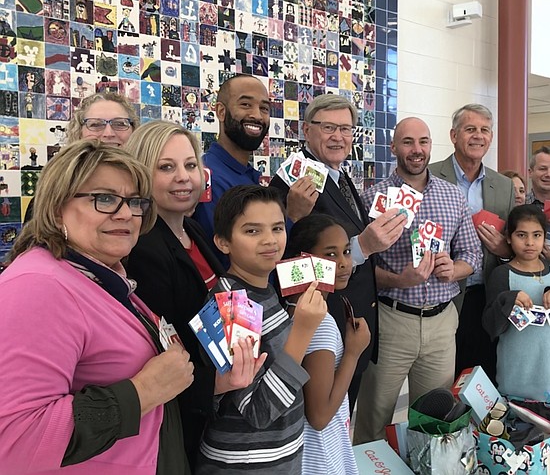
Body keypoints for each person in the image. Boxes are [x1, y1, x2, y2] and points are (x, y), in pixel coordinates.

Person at [0, 140, 193, 474]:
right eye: (104, 199)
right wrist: (143, 392)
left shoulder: (96, 274)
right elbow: (15, 439)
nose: (125, 213)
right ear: (58, 207)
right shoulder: (39, 286)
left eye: (135, 202)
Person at [124, 121, 265, 470]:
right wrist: (213, 385)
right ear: (142, 173)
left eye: (189, 165)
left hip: (219, 396)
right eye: (166, 167)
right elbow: (158, 351)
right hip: (182, 409)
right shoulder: (143, 248)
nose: (183, 177)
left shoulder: (193, 229)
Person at [269, 94, 406, 409]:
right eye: (328, 127)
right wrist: (361, 248)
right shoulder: (292, 182)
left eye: (346, 129)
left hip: (351, 329)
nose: (338, 137)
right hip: (319, 332)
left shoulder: (341, 176)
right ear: (307, 129)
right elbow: (284, 269)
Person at [353, 117, 482, 444]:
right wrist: (400, 279)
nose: (416, 150)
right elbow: (359, 267)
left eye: (423, 142)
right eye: (408, 142)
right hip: (391, 321)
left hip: (441, 322)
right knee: (374, 419)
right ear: (394, 147)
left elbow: (472, 254)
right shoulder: (373, 199)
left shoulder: (452, 197)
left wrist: (454, 269)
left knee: (434, 420)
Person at [196, 185, 327, 474]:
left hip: (275, 458)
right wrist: (302, 331)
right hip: (244, 464)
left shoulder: (263, 290)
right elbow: (259, 410)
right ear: (223, 242)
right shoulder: (231, 304)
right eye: (252, 231)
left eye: (278, 228)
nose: (270, 240)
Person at [428, 103, 515, 381]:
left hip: (485, 295)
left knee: (482, 378)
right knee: (442, 379)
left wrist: (504, 251)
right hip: (442, 293)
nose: (478, 136)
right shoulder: (429, 175)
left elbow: (513, 238)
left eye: (484, 130)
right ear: (454, 135)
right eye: (470, 129)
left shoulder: (504, 185)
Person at [192, 74, 316, 267]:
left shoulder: (248, 175)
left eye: (264, 108)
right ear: (221, 112)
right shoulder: (210, 179)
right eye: (245, 105)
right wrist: (293, 216)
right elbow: (228, 262)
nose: (257, 115)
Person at [285, 214, 370, 475]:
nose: (344, 263)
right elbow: (320, 416)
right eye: (330, 255)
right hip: (319, 458)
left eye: (346, 251)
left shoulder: (295, 307)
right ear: (304, 260)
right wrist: (353, 354)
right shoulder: (319, 325)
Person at [481, 204, 550, 401]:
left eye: (537, 235)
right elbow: (490, 327)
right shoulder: (502, 275)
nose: (530, 242)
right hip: (515, 380)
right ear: (508, 238)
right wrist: (508, 299)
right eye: (521, 235)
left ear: (545, 237)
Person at [23, 92, 139, 223]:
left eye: (120, 124)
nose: (108, 133)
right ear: (78, 132)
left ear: (135, 131)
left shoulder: (146, 189)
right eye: (96, 124)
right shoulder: (55, 193)